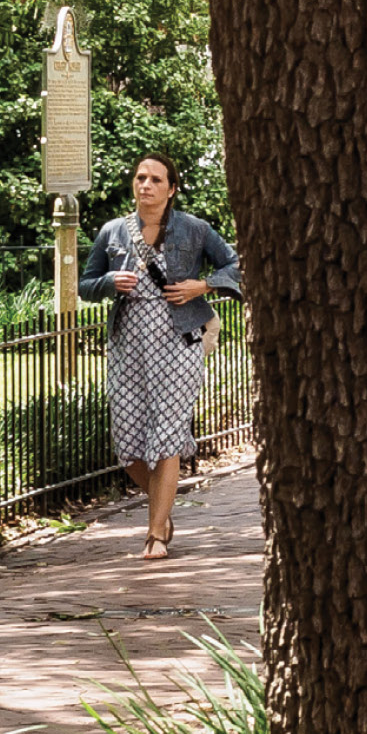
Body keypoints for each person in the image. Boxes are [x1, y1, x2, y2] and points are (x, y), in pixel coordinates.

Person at [80, 154, 241, 558]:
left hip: (177, 344)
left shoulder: (194, 228)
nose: (145, 185)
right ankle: (162, 510)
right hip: (127, 347)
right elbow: (85, 284)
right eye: (140, 177)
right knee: (129, 446)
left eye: (155, 179)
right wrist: (108, 281)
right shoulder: (113, 231)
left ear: (171, 189)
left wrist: (200, 286)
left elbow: (235, 265)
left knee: (167, 434)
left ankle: (155, 535)